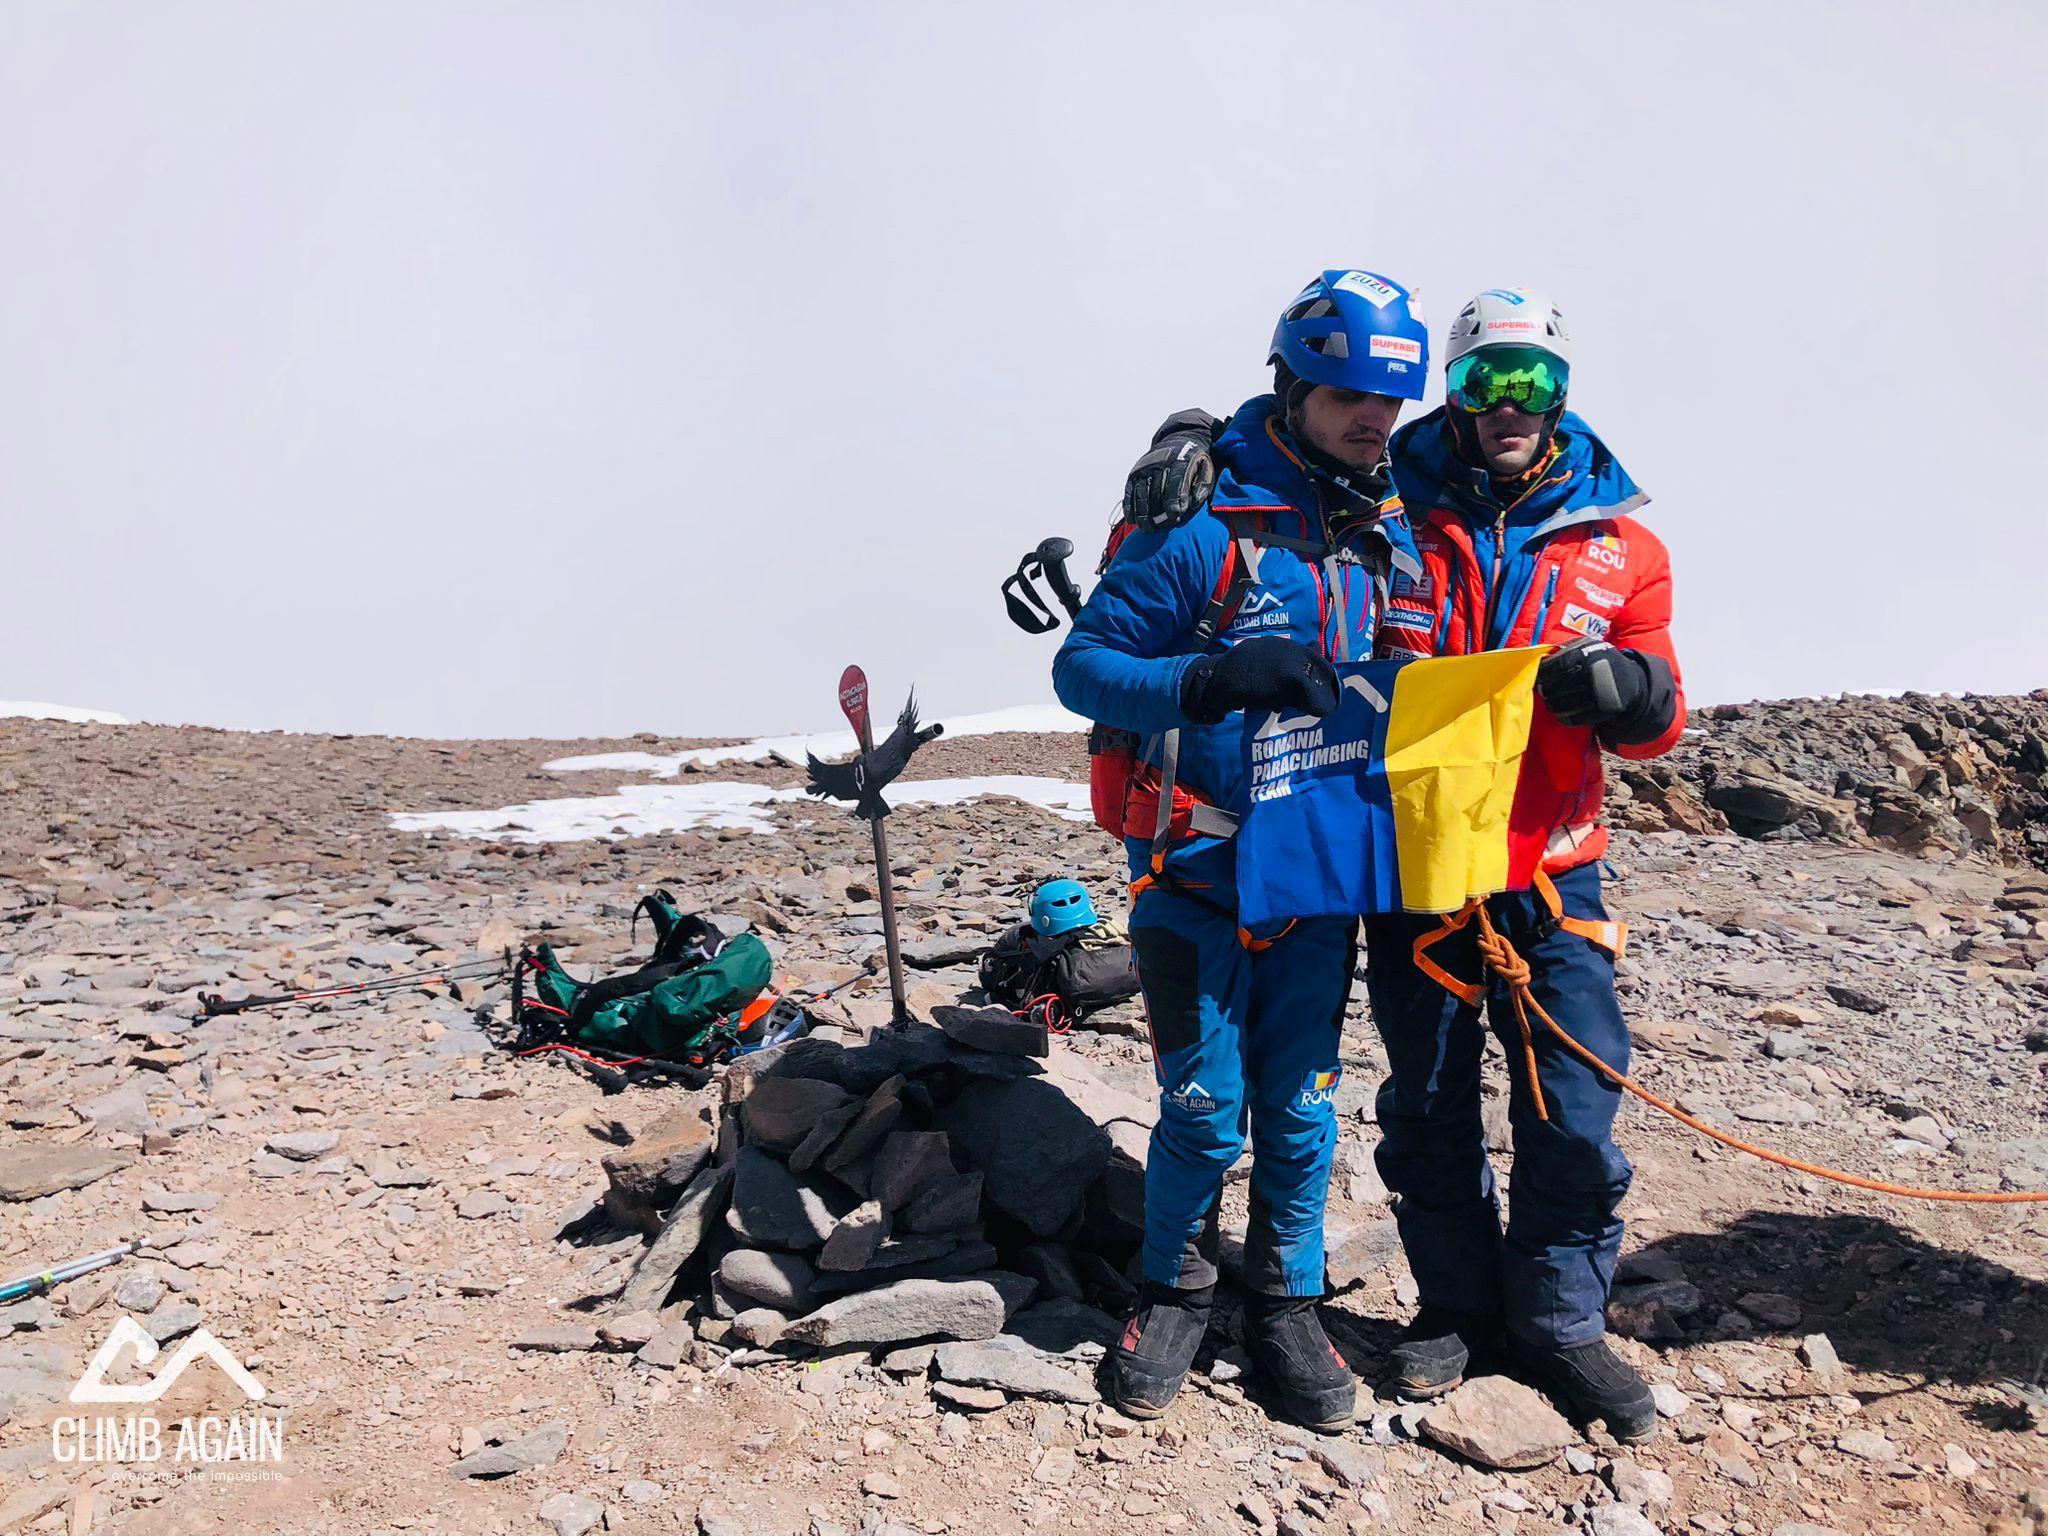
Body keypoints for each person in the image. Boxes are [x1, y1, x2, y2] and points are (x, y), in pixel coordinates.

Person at [1118, 288, 1684, 1443]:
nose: (1507, 404)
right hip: (1412, 862)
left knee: (1571, 1110)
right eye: (1483, 380)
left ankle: (1561, 1326)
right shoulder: (1390, 500)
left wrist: (1632, 696)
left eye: (1532, 381)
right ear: (1456, 393)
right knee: (1421, 1105)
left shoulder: (1622, 544)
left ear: (1564, 392)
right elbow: (1268, 455)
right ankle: (1460, 1312)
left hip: (1548, 865)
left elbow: (1661, 702)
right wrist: (1178, 439)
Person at [1052, 269, 1431, 1429]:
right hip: (1193, 868)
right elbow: (1080, 669)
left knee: (1305, 1103)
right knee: (1204, 1104)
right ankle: (1171, 1288)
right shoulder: (1201, 529)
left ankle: (1283, 1300)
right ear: (1291, 382)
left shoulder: (1387, 530)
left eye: (1388, 399)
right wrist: (1210, 679)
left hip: (1316, 874)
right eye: (1344, 392)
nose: (1371, 416)